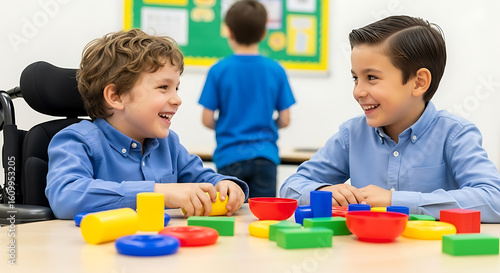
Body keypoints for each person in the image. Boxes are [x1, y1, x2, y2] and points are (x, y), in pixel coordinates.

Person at [280, 15, 500, 222]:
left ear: (419, 82)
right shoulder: (352, 135)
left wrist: (395, 201)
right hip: (366, 253)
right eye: (356, 78)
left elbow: (493, 200)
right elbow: (291, 187)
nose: (358, 91)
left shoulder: (455, 134)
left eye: (372, 77)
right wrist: (322, 191)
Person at [45, 29, 248, 220]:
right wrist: (156, 193)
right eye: (163, 87)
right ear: (115, 96)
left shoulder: (168, 144)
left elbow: (200, 177)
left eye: (176, 88)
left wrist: (223, 184)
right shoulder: (77, 141)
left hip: (163, 248)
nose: (177, 99)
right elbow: (65, 196)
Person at [198, 0, 295, 198]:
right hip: (266, 156)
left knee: (229, 213)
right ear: (263, 33)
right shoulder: (276, 69)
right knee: (261, 216)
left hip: (229, 156)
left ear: (230, 32)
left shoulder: (218, 70)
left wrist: (230, 126)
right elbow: (285, 119)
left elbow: (207, 119)